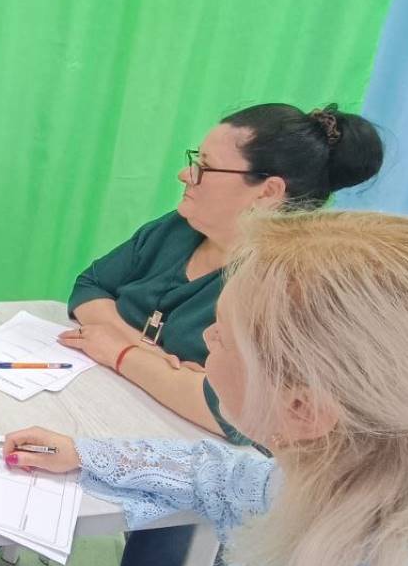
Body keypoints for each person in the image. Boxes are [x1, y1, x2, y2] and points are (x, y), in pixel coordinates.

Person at [4, 210, 408, 566]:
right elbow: (227, 476)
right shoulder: (348, 480)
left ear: (302, 409)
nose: (206, 338)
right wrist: (84, 453)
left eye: (223, 336)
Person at [62, 103, 383, 446]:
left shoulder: (292, 285)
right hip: (102, 403)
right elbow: (90, 287)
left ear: (267, 192)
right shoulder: (179, 227)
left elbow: (237, 413)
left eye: (205, 166)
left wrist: (121, 354)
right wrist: (147, 353)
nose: (185, 174)